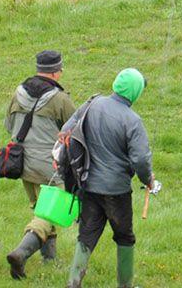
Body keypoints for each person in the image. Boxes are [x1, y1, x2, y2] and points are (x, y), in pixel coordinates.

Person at [65, 68, 157, 288]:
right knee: (125, 237)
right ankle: (125, 285)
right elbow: (141, 160)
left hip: (88, 185)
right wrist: (149, 180)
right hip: (116, 192)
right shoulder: (132, 121)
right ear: (135, 92)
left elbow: (67, 129)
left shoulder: (93, 103)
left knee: (86, 234)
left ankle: (73, 282)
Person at [4, 50, 76, 279]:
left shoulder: (18, 93)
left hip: (21, 163)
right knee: (50, 214)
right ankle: (20, 254)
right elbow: (76, 134)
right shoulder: (60, 99)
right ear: (57, 71)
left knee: (40, 209)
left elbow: (9, 126)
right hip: (50, 167)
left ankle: (49, 259)